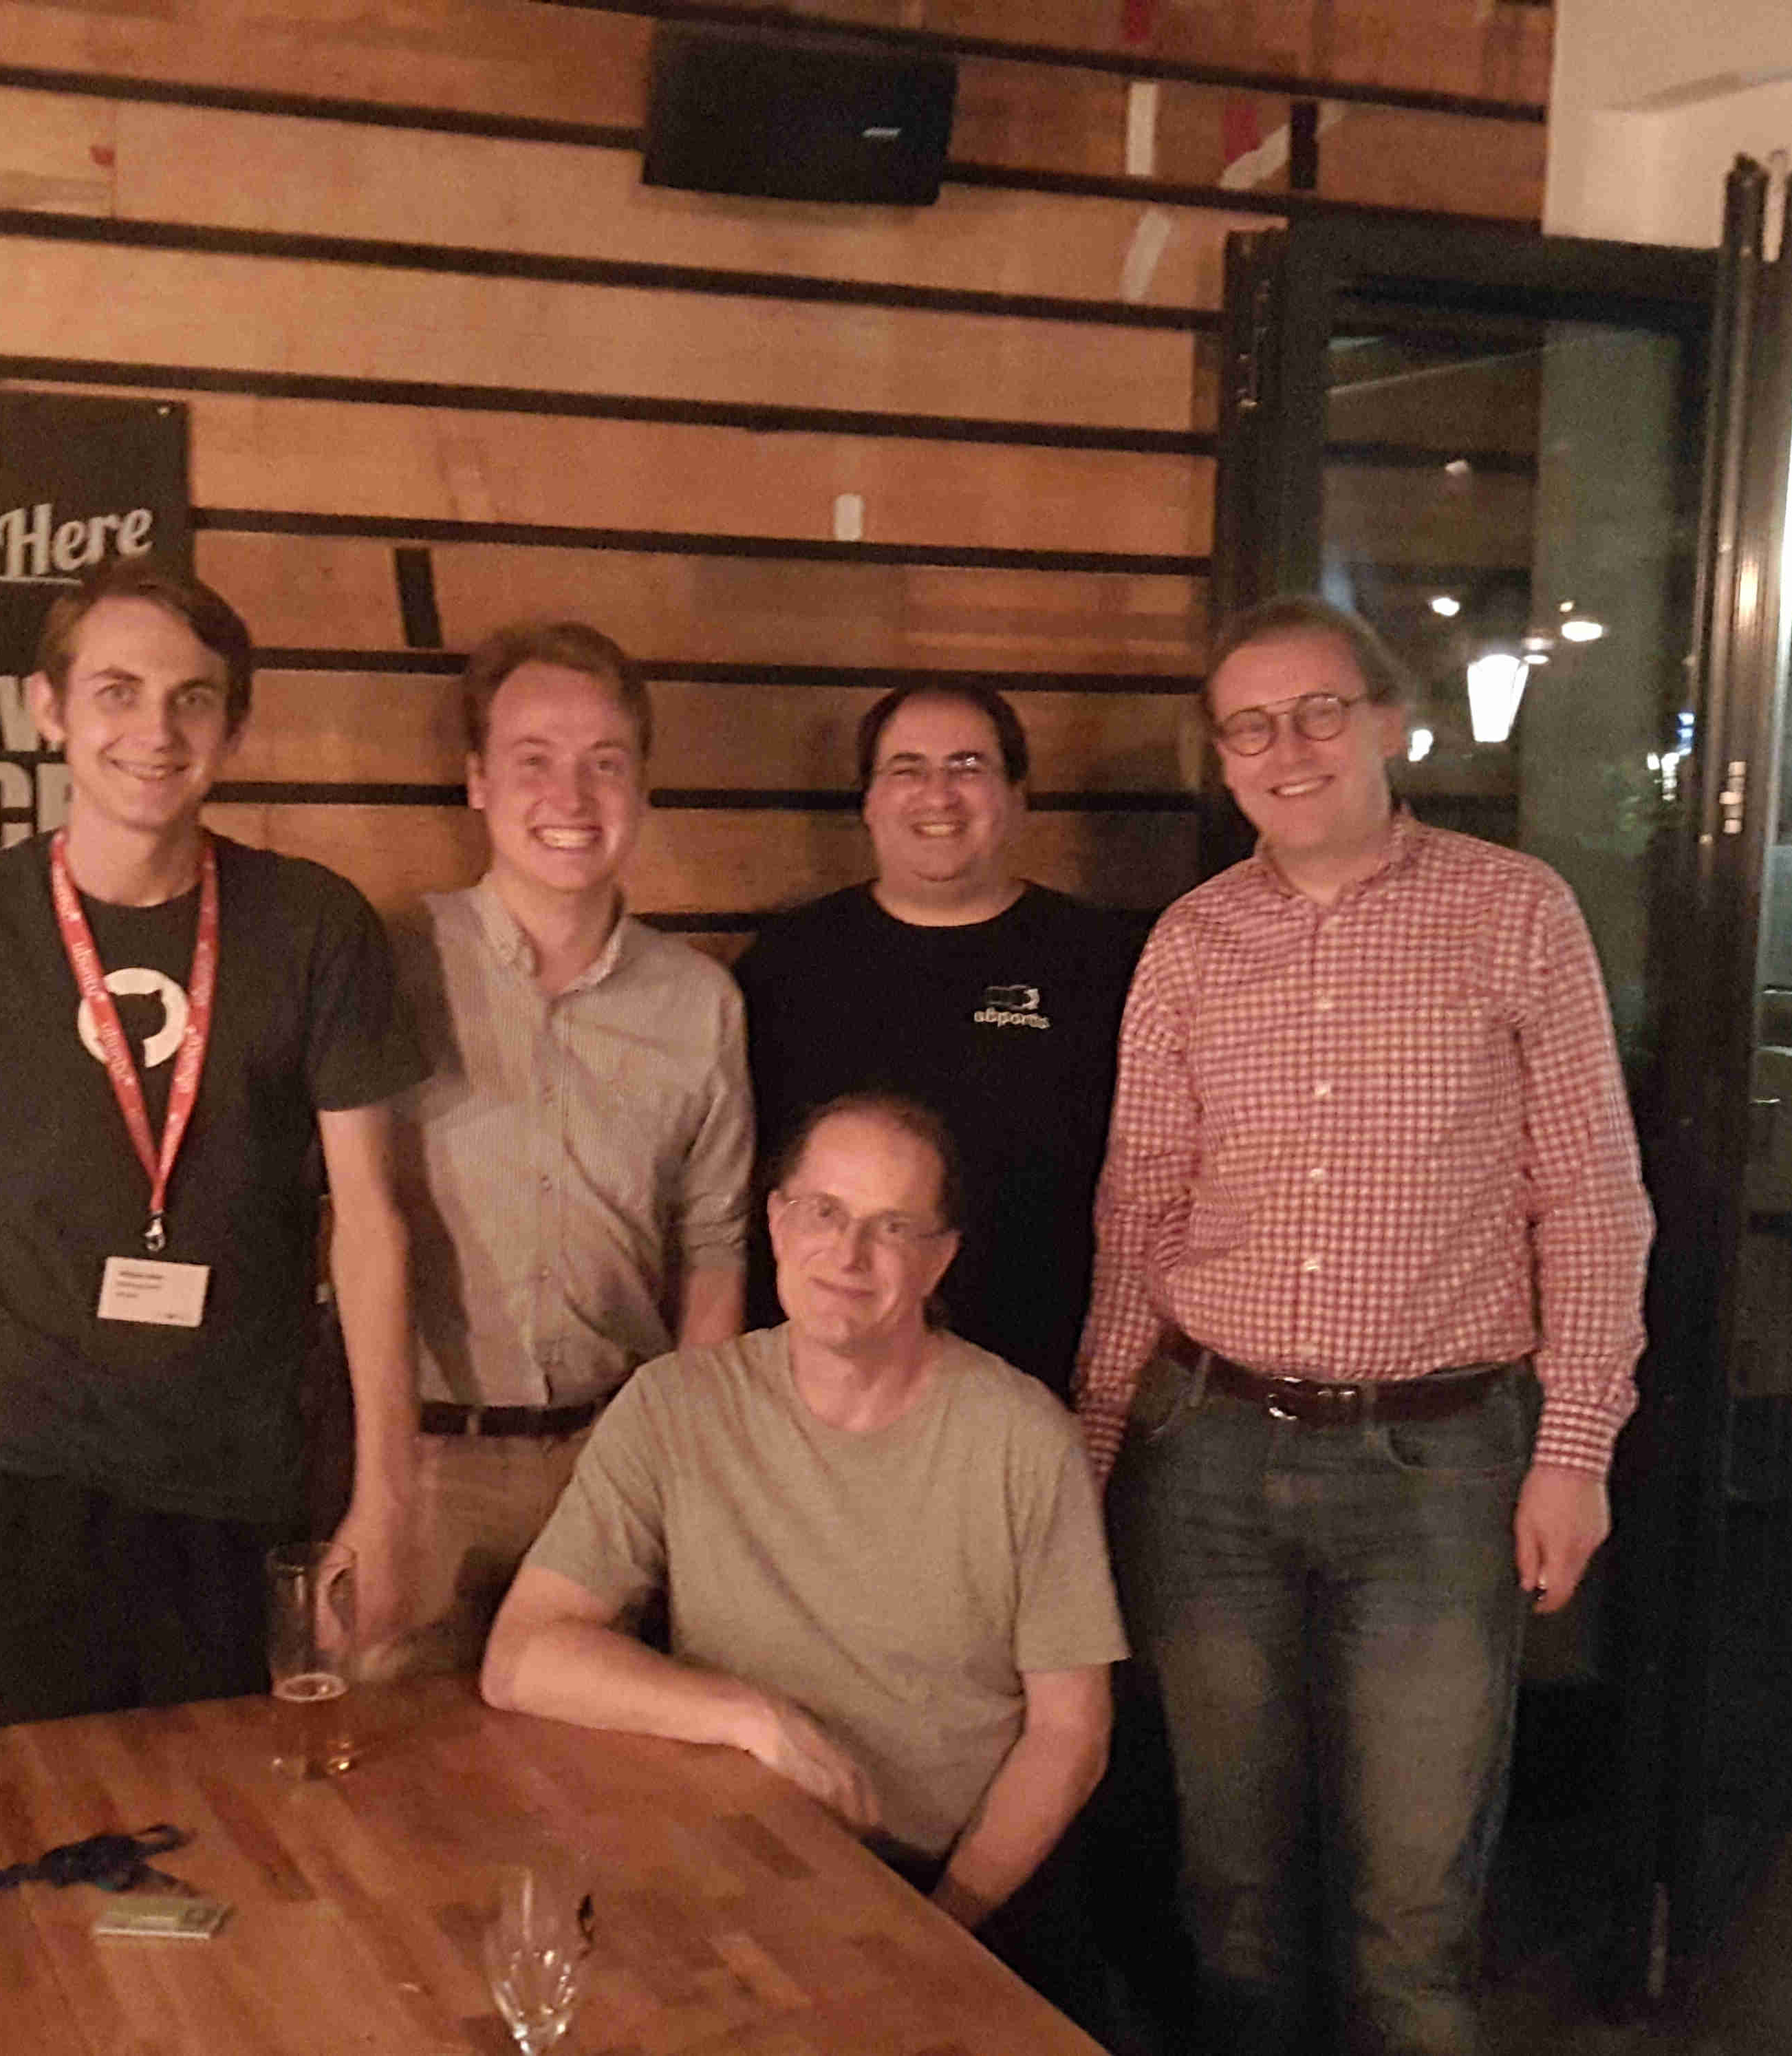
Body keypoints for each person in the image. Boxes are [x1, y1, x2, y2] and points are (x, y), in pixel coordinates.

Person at [1072, 597, 1655, 2056]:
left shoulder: (1515, 910)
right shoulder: (1191, 942)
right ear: (1223, 760)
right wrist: (1091, 1451)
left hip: (1440, 1467)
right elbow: (1137, 1213)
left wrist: (1575, 1450)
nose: (1289, 749)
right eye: (1250, 727)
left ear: (1391, 722)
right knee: (1233, 1897)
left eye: (1320, 711)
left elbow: (1592, 1198)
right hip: (1206, 1456)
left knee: (1416, 1914)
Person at [0, 556, 423, 1726]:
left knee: (237, 1821)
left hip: (243, 1490)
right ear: (48, 709)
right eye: (117, 692)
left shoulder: (314, 926)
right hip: (17, 1476)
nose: (155, 730)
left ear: (234, 727)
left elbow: (372, 1227)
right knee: (4, 1817)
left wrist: (387, 1499)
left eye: (193, 698)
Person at [484, 1092, 1125, 2016]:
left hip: (944, 1886)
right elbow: (520, 1658)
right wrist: (751, 1718)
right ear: (778, 1222)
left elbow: (1072, 1734)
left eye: (891, 1227)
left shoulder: (1024, 1437)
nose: (848, 1255)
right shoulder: (677, 1404)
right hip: (728, 1860)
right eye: (824, 1212)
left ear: (940, 1258)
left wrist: (938, 1927)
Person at [382, 621, 755, 1680]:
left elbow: (714, 1247)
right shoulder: (389, 966)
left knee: (600, 1768)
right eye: (533, 760)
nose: (572, 796)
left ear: (642, 786)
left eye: (605, 763)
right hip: (422, 1465)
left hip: (614, 1466)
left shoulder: (701, 1004)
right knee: (399, 1759)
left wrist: (683, 1474)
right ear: (476, 781)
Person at [733, 682, 1146, 1400]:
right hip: (818, 1394)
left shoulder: (1104, 964)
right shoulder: (785, 964)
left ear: (1017, 796)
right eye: (906, 769)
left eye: (968, 766)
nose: (938, 794)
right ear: (868, 801)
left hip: (1037, 1390)